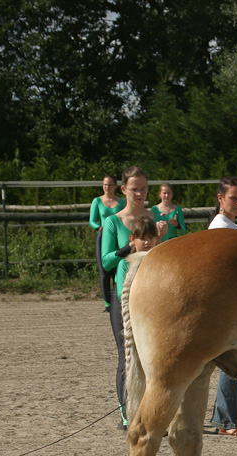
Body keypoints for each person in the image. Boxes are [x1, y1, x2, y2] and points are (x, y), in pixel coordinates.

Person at [100, 167, 165, 428]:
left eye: (144, 188)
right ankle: (128, 415)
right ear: (124, 189)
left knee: (155, 356)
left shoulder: (157, 218)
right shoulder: (113, 221)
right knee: (126, 356)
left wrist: (162, 236)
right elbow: (106, 262)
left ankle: (152, 410)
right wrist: (130, 247)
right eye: (135, 189)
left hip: (155, 295)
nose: (140, 193)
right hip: (125, 296)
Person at [207, 177, 237, 436]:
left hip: (231, 300)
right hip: (226, 302)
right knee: (228, 361)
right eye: (233, 198)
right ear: (220, 199)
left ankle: (226, 419)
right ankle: (229, 422)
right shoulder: (221, 228)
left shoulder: (232, 226)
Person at [90, 175, 126, 313]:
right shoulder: (97, 201)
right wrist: (98, 227)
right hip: (103, 237)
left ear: (116, 186)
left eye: (110, 184)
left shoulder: (121, 202)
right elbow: (92, 220)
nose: (107, 187)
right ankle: (107, 302)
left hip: (117, 238)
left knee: (118, 270)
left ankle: (118, 299)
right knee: (104, 273)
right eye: (105, 184)